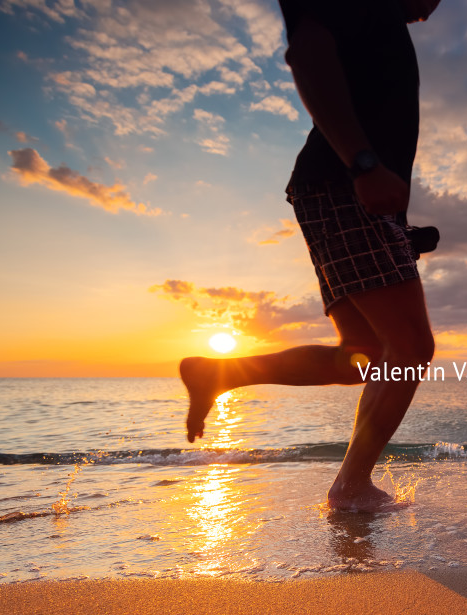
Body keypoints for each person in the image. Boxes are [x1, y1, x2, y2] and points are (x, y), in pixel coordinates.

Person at [179, 0, 441, 513]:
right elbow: (307, 53)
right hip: (342, 185)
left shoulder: (381, 23)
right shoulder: (365, 6)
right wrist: (363, 164)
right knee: (409, 348)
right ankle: (351, 487)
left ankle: (220, 373)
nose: (436, 5)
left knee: (362, 356)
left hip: (338, 191)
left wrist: (399, 230)